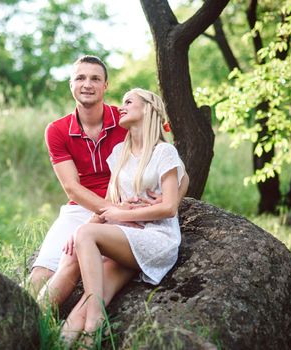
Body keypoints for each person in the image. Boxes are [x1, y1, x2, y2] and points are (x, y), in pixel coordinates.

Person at [29, 55, 188, 297]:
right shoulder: (57, 130)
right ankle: (21, 325)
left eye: (95, 78)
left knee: (74, 264)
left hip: (127, 207)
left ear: (106, 86)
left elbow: (179, 171)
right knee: (42, 274)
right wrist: (114, 213)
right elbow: (72, 188)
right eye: (80, 78)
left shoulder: (125, 119)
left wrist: (170, 203)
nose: (87, 84)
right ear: (71, 84)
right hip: (84, 208)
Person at [48, 88, 185, 344]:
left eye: (129, 101)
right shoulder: (120, 153)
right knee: (82, 308)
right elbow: (114, 202)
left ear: (147, 108)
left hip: (156, 238)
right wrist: (88, 224)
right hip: (128, 238)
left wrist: (120, 217)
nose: (121, 106)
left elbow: (169, 207)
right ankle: (68, 341)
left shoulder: (163, 152)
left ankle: (98, 319)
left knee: (88, 237)